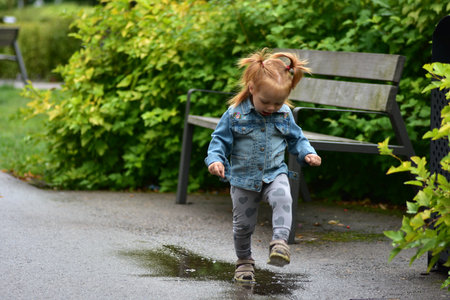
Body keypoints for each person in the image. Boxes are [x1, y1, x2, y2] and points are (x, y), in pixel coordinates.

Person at [205, 48, 321, 283]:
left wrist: (308, 153)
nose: (271, 108)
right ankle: (244, 262)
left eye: (278, 103)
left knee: (283, 199)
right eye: (266, 101)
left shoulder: (284, 114)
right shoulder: (235, 115)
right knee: (243, 226)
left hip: (274, 173)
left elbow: (296, 138)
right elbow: (218, 141)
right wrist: (215, 160)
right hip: (243, 180)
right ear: (252, 89)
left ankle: (280, 243)